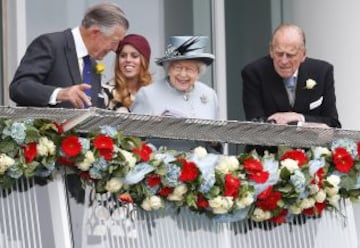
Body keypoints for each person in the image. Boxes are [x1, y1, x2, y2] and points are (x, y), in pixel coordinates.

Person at [241, 24, 341, 154]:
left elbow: (333, 124)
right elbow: (255, 124)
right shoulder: (254, 72)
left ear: (303, 54)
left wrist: (298, 118)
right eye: (279, 53)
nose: (283, 60)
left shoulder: (322, 72)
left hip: (312, 156)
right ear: (271, 51)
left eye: (290, 55)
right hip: (267, 157)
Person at [9, 2, 129, 109]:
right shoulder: (51, 45)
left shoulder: (92, 64)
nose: (115, 49)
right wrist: (59, 93)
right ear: (95, 32)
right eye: (114, 42)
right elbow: (19, 88)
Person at [131, 36, 221, 152]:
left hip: (203, 167)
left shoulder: (209, 95)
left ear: (198, 72)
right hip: (163, 167)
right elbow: (133, 141)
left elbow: (216, 142)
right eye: (178, 68)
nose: (183, 74)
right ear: (168, 69)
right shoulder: (148, 95)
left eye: (189, 69)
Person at [102, 34, 152, 112]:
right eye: (123, 55)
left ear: (144, 61)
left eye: (134, 56)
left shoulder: (153, 92)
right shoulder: (106, 92)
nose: (128, 60)